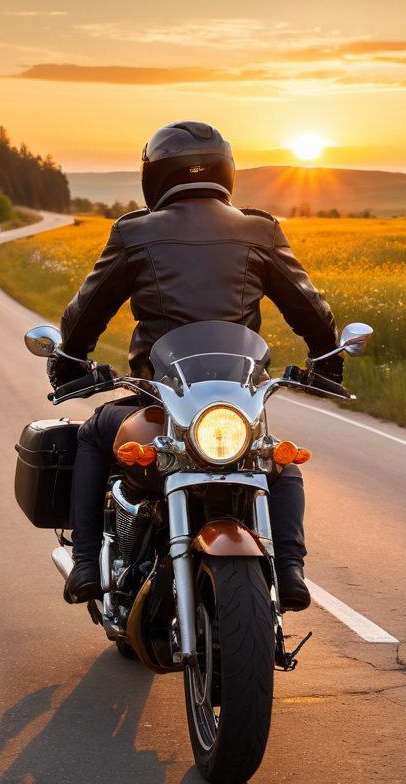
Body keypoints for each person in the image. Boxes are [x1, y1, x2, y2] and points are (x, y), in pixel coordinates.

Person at [49, 120, 342, 612]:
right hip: (235, 400)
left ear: (154, 175)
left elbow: (87, 312)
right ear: (227, 172)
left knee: (92, 434)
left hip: (162, 401)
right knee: (274, 459)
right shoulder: (260, 229)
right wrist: (327, 361)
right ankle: (291, 569)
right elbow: (309, 308)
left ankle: (83, 564)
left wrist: (69, 363)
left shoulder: (134, 233)